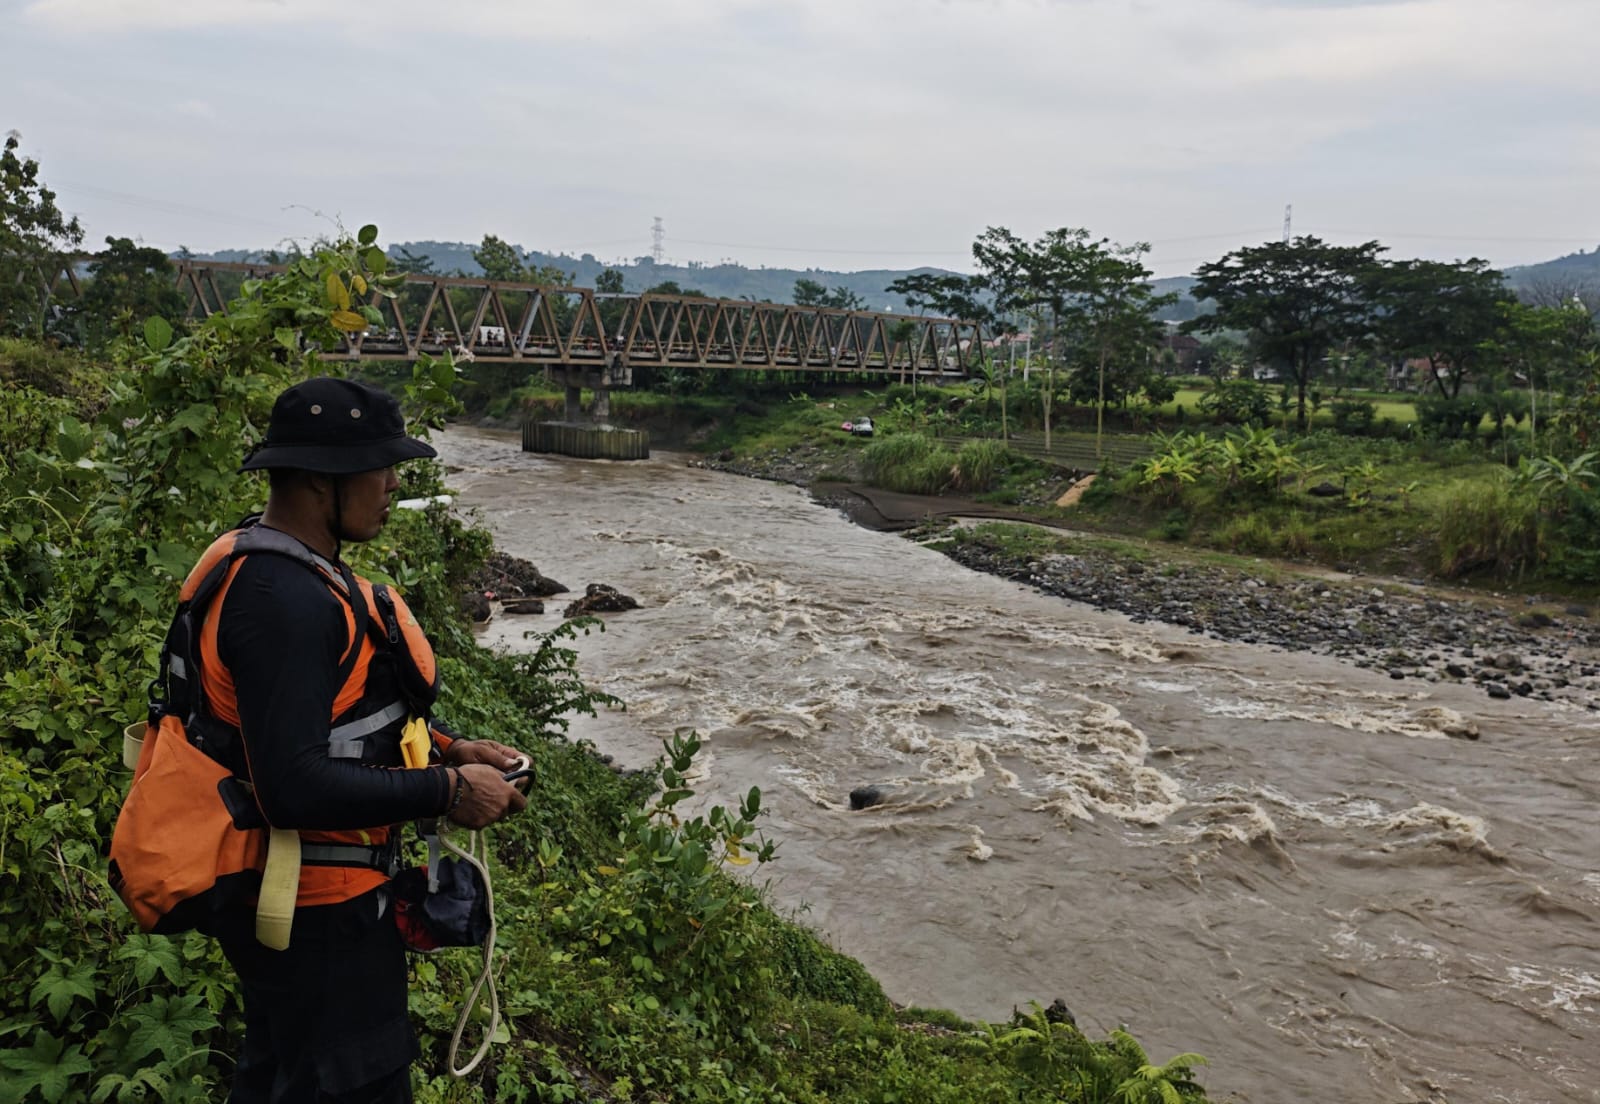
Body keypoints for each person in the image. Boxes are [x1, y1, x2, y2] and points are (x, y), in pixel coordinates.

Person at [195, 376, 528, 1103]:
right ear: (323, 477)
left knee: (278, 1078)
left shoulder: (282, 567)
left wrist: (447, 747)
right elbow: (292, 785)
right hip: (318, 918)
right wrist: (448, 791)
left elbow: (333, 719)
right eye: (380, 467)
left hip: (310, 911)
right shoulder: (283, 600)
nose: (393, 484)